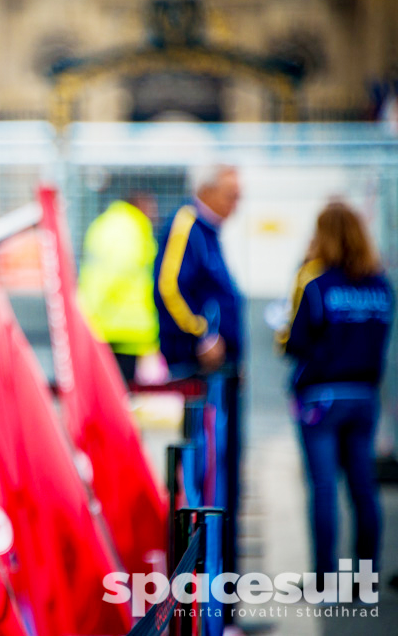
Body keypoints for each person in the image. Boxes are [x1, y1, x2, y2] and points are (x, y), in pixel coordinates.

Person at [277, 201, 393, 583]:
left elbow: (295, 343)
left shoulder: (316, 284)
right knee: (363, 488)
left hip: (321, 398)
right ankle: (365, 579)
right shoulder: (382, 286)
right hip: (364, 396)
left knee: (324, 487)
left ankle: (325, 579)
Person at [153, 163, 244, 627]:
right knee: (207, 486)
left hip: (219, 377)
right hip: (198, 375)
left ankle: (223, 606)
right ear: (208, 189)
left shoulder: (207, 229)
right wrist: (202, 335)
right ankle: (211, 612)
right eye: (232, 192)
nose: (238, 202)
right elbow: (168, 285)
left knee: (220, 485)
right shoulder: (189, 223)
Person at [77, 192, 160, 383]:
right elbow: (114, 275)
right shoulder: (130, 228)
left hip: (107, 325)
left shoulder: (106, 224)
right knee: (121, 392)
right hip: (122, 329)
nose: (154, 215)